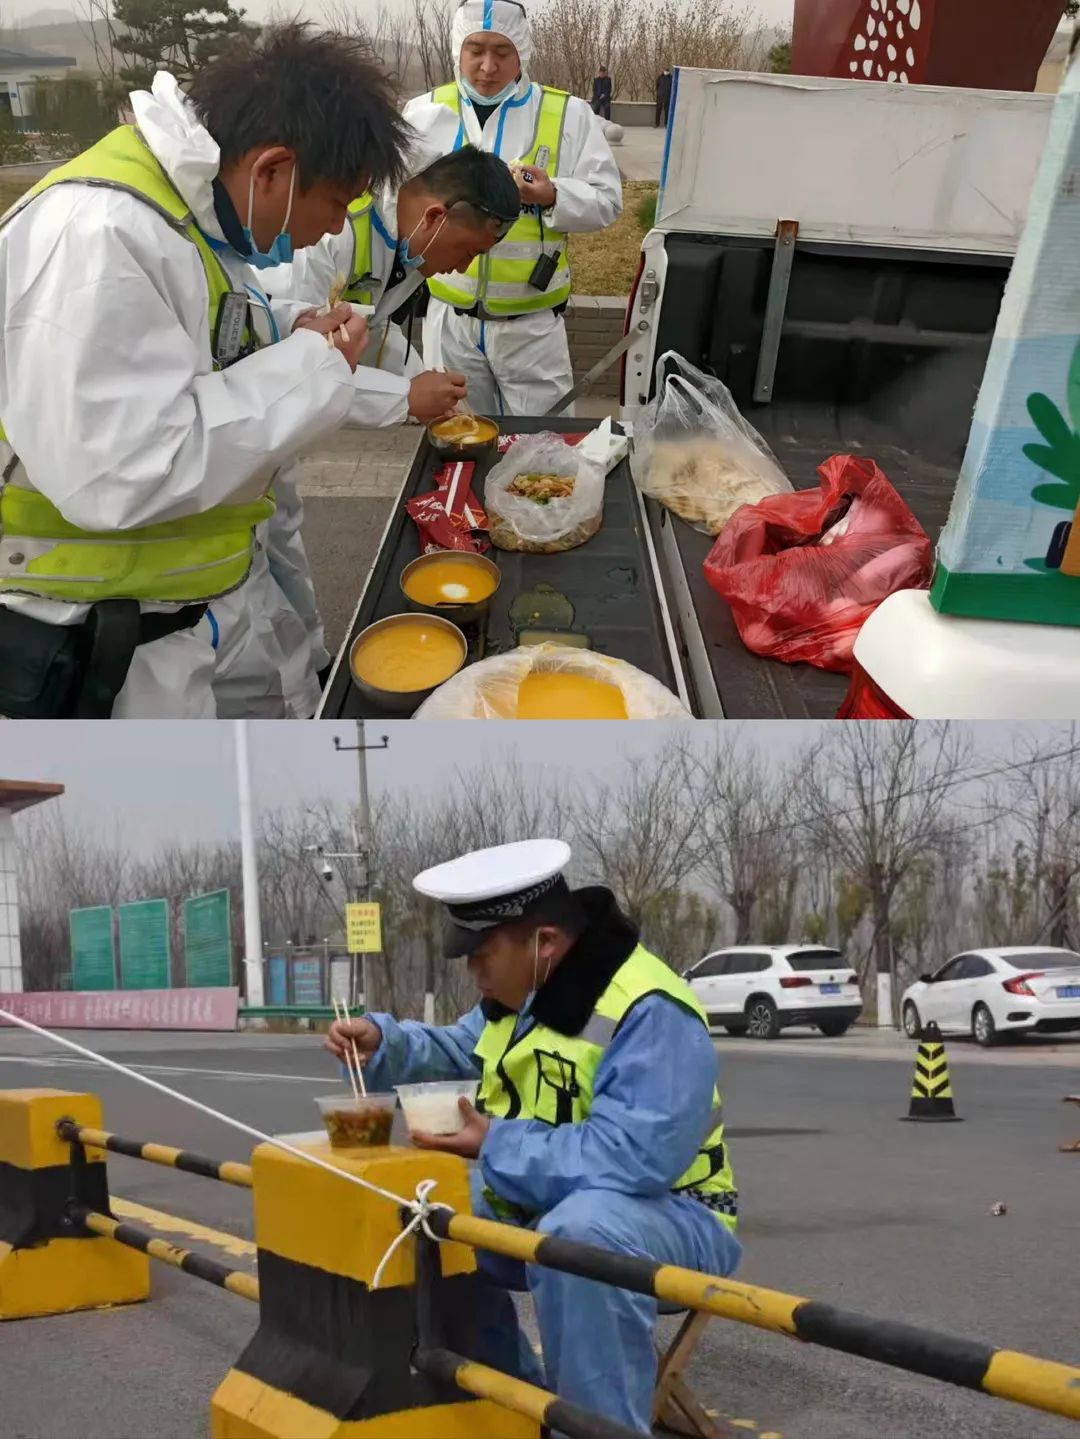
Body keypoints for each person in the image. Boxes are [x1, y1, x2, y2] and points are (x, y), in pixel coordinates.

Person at [0, 24, 410, 719]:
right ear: (273, 170)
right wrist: (308, 366)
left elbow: (200, 344)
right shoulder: (99, 234)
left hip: (200, 604)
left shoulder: (191, 221)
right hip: (102, 646)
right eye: (338, 203)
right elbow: (121, 468)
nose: (338, 229)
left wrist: (286, 330)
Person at [325, 838, 741, 1436]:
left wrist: (495, 1143)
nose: (473, 971)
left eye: (482, 954)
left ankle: (593, 1430)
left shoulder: (649, 1009)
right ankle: (515, 1408)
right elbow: (459, 1048)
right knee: (423, 1213)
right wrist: (383, 1042)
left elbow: (634, 1160)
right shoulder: (522, 995)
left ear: (544, 943)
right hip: (554, 1199)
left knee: (579, 1238)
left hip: (680, 1215)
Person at [229, 145, 523, 717]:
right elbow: (290, 358)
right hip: (248, 437)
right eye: (469, 251)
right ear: (437, 217)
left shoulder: (403, 249)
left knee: (284, 553)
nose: (463, 269)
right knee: (253, 589)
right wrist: (405, 399)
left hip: (274, 456)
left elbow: (375, 332)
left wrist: (419, 381)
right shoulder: (335, 236)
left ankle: (313, 669)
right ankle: (291, 698)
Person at [403, 0, 622, 418]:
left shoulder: (568, 114)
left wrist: (553, 194)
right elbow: (397, 205)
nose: (487, 66)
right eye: (476, 51)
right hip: (450, 322)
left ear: (522, 51)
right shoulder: (425, 113)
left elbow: (608, 201)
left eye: (502, 52)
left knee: (539, 448)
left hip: (532, 328)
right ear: (457, 52)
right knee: (457, 439)